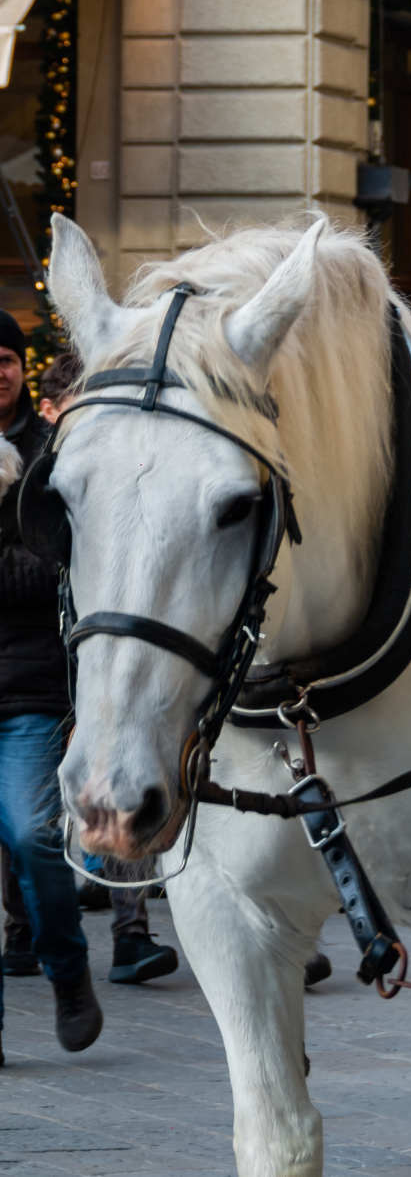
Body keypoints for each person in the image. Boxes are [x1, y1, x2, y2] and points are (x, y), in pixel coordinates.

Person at [37, 349, 180, 987]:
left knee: (120, 766)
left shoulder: (114, 455)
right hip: (45, 665)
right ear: (52, 410)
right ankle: (41, 934)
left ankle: (130, 931)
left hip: (92, 653)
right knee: (38, 817)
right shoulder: (46, 464)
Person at [0, 312, 102, 1056]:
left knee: (37, 837)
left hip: (30, 690)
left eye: (4, 359)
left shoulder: (52, 454)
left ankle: (68, 971)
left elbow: (62, 566)